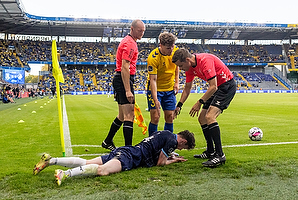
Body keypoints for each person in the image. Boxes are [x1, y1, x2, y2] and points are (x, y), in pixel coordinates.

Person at [33, 130, 195, 186]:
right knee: (103, 171)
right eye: (183, 147)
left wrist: (170, 154)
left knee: (88, 162)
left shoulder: (165, 133)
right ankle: (65, 173)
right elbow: (160, 163)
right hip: (131, 157)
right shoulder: (173, 141)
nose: (180, 148)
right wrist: (174, 159)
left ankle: (51, 160)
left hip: (126, 149)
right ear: (183, 141)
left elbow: (155, 148)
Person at [172, 48, 236, 168]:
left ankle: (220, 155)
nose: (180, 69)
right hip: (217, 88)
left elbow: (213, 86)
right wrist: (179, 105)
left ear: (187, 60)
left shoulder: (204, 61)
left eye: (180, 66)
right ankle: (210, 151)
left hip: (226, 86)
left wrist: (199, 102)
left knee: (210, 116)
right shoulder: (190, 67)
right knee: (202, 118)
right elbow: (187, 88)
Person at [102, 19, 146, 150]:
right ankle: (128, 149)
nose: (142, 33)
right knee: (129, 115)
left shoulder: (129, 42)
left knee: (122, 116)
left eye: (143, 31)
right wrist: (128, 90)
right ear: (132, 29)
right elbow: (125, 66)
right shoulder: (130, 43)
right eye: (139, 30)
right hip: (123, 79)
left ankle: (107, 141)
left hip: (121, 79)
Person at [146, 32, 179, 136]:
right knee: (155, 117)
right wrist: (155, 99)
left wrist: (177, 82)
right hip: (156, 89)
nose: (171, 50)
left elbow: (177, 66)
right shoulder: (153, 58)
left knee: (170, 117)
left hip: (169, 89)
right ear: (161, 45)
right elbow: (153, 80)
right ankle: (151, 146)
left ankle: (167, 145)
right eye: (168, 48)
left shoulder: (176, 52)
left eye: (172, 47)